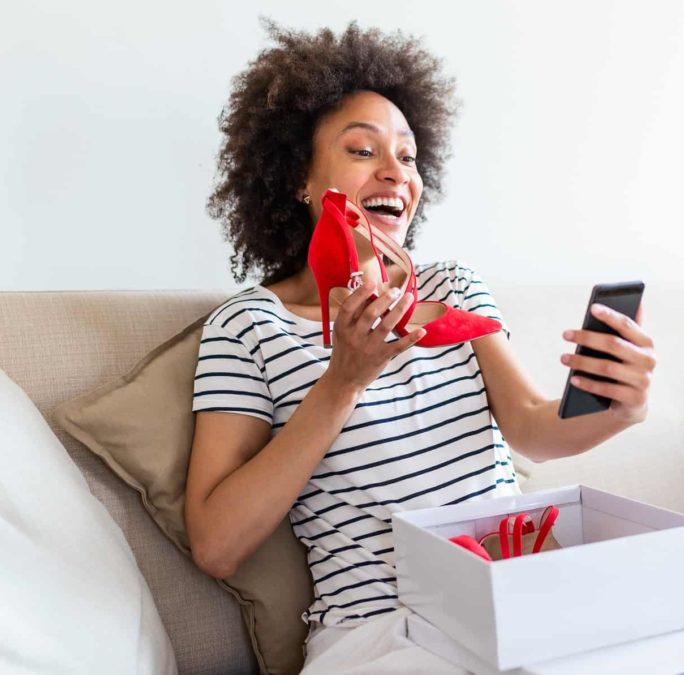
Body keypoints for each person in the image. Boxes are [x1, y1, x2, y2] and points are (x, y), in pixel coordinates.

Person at [183, 21, 656, 673]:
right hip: (385, 634)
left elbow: (533, 429)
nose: (394, 173)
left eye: (407, 156)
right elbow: (216, 543)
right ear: (298, 178)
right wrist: (342, 380)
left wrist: (614, 405)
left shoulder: (452, 286)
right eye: (362, 150)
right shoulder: (247, 328)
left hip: (521, 599)